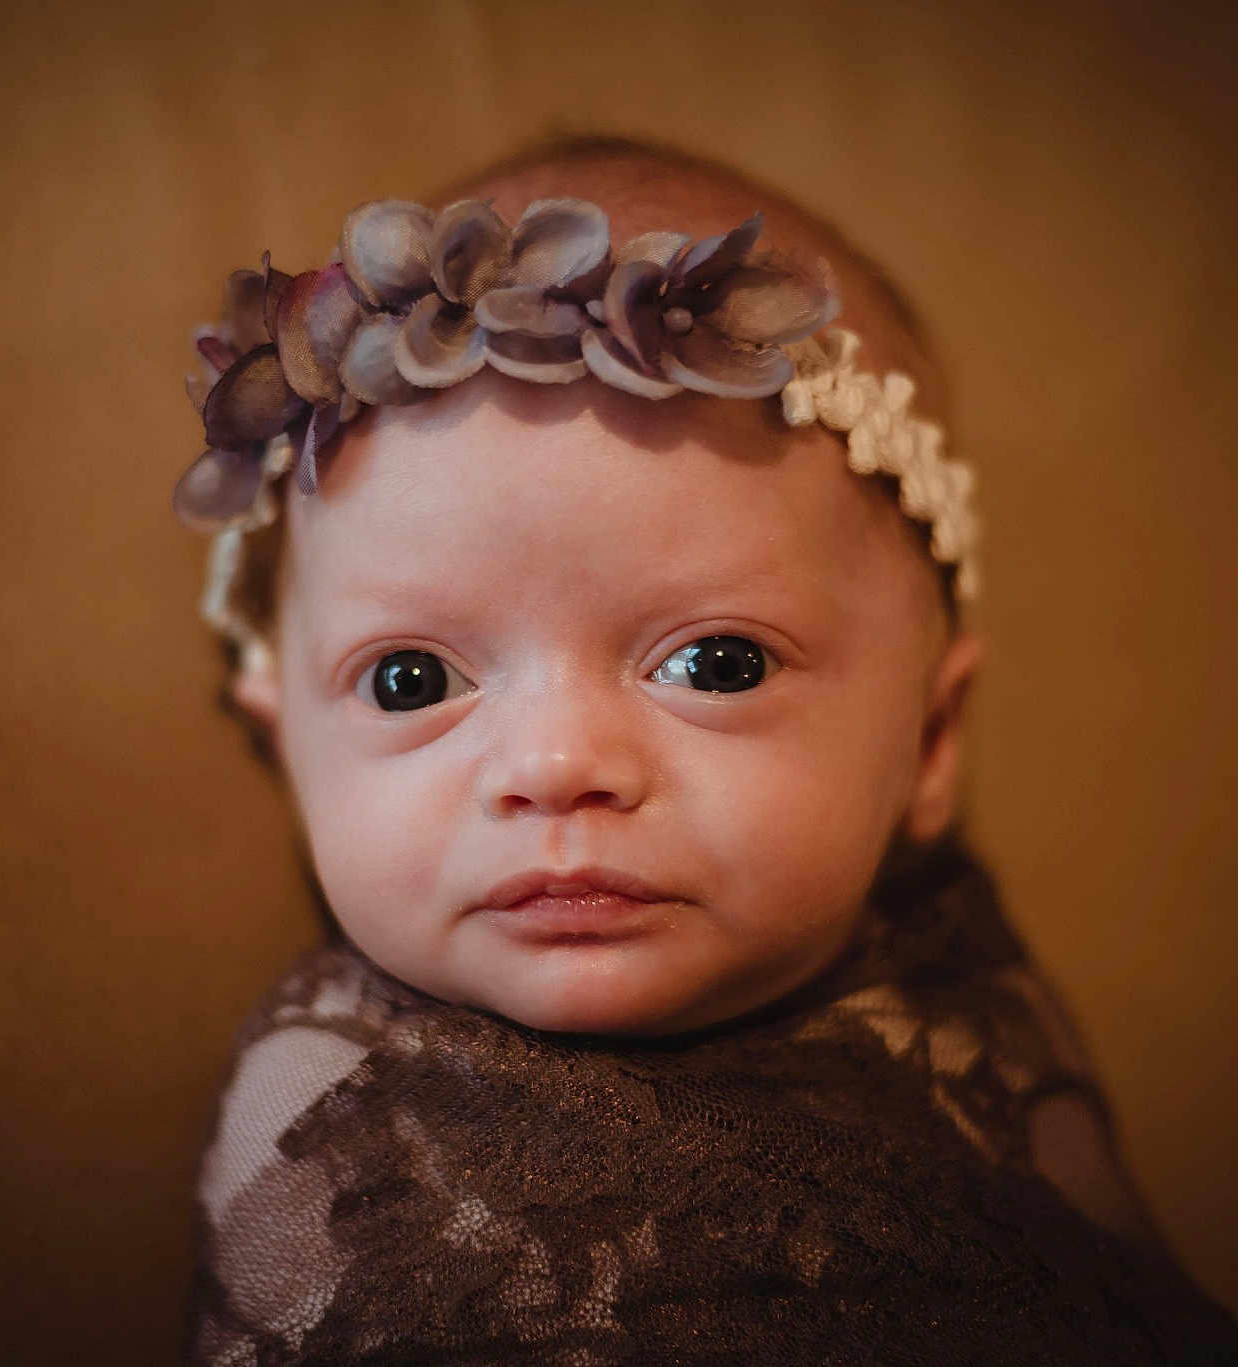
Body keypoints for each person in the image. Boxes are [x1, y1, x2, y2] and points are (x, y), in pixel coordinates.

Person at [174, 137, 1238, 1364]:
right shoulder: (322, 1116)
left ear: (931, 740)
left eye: (716, 664)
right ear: (287, 744)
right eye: (411, 680)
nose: (558, 765)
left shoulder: (964, 1000)